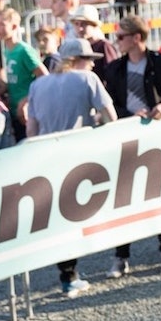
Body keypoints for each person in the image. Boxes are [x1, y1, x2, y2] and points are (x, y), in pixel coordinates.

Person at [26, 37, 118, 297]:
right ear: (79, 60)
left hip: (47, 157)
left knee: (59, 216)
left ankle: (68, 275)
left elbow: (32, 128)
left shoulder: (37, 85)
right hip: (81, 156)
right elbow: (111, 118)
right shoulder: (88, 80)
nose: (92, 65)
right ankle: (98, 264)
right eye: (89, 60)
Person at [102, 16, 161, 276]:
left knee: (160, 193)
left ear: (137, 38)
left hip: (157, 137)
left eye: (121, 36)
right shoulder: (115, 68)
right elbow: (110, 103)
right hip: (126, 139)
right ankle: (120, 257)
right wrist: (127, 115)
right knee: (123, 197)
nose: (117, 41)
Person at [0, 7, 49, 143]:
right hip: (13, 108)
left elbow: (44, 77)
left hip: (27, 111)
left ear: (14, 26)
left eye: (2, 25)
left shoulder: (24, 50)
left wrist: (25, 101)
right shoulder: (7, 50)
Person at [69, 5, 119, 82]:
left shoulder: (105, 46)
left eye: (84, 24)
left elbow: (113, 76)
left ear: (95, 25)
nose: (80, 28)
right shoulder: (77, 47)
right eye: (76, 24)